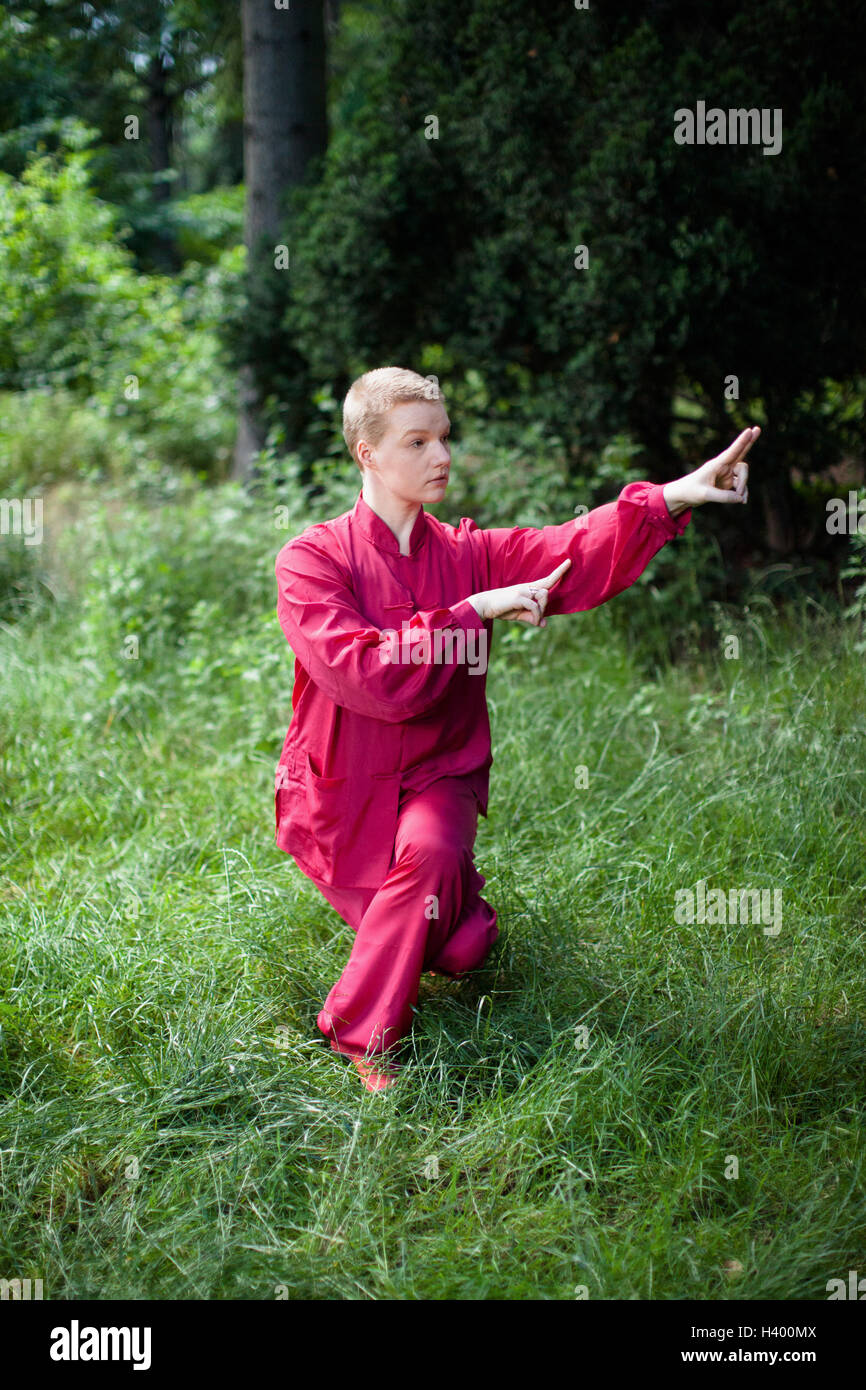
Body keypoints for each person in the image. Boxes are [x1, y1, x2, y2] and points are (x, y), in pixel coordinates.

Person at [274, 367, 759, 1091]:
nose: (441, 457)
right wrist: (474, 612)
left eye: (443, 438)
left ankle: (356, 1033)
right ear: (367, 454)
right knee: (461, 943)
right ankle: (424, 925)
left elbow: (571, 547)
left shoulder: (468, 554)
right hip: (342, 798)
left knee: (436, 867)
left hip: (440, 772)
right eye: (417, 442)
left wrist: (675, 495)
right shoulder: (313, 561)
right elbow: (369, 676)